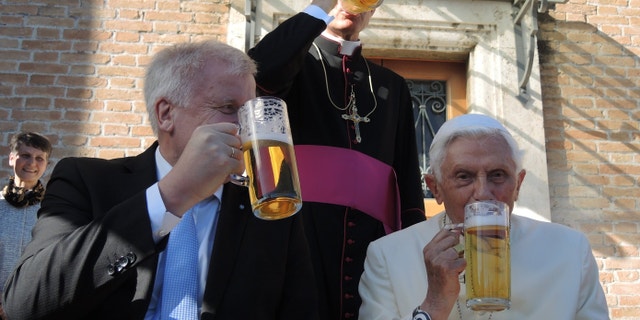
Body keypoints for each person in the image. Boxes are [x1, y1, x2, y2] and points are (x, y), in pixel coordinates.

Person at [3, 40, 318, 320]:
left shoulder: (268, 205)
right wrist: (172, 196)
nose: (247, 127)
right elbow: (27, 304)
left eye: (249, 111)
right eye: (228, 108)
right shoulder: (86, 179)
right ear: (166, 113)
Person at [248, 0, 426, 318]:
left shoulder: (392, 86)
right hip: (299, 234)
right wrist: (320, 9)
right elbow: (257, 74)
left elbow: (408, 183)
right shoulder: (294, 65)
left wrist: (414, 254)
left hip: (372, 247)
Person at [358, 113, 610, 320]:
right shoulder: (388, 256)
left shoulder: (570, 250)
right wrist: (433, 306)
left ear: (518, 184)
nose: (483, 193)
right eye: (463, 176)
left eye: (498, 175)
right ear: (435, 188)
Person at [0, 132, 52, 319]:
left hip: (33, 309)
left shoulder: (53, 211)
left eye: (40, 158)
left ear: (46, 165)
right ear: (12, 158)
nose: (32, 163)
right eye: (25, 155)